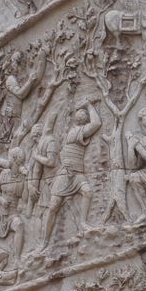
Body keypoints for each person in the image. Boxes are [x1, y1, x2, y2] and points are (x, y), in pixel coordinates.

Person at [43, 99, 102, 250]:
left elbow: (96, 124)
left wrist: (88, 105)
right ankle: (44, 243)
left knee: (87, 192)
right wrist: (87, 105)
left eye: (84, 113)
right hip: (65, 172)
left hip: (77, 172)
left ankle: (83, 223)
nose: (81, 114)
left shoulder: (79, 131)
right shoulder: (73, 132)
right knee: (53, 207)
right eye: (79, 112)